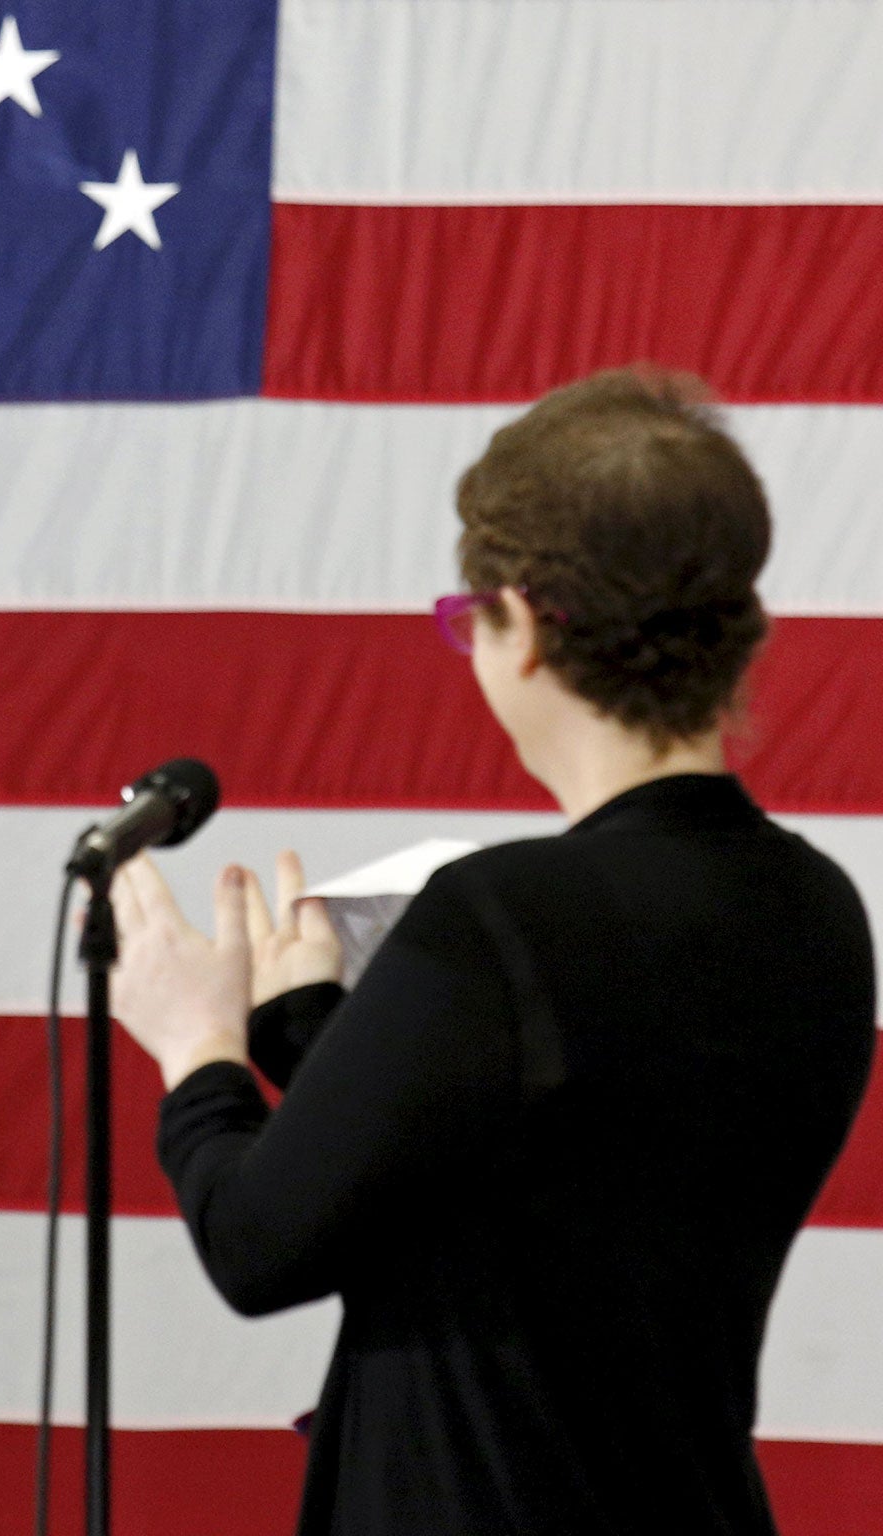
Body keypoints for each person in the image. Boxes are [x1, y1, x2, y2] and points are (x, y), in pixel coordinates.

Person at [108, 370, 876, 1535]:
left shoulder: (502, 914)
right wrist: (300, 1031)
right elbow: (542, 1181)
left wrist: (196, 1047)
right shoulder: (815, 908)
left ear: (522, 625)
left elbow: (258, 1245)